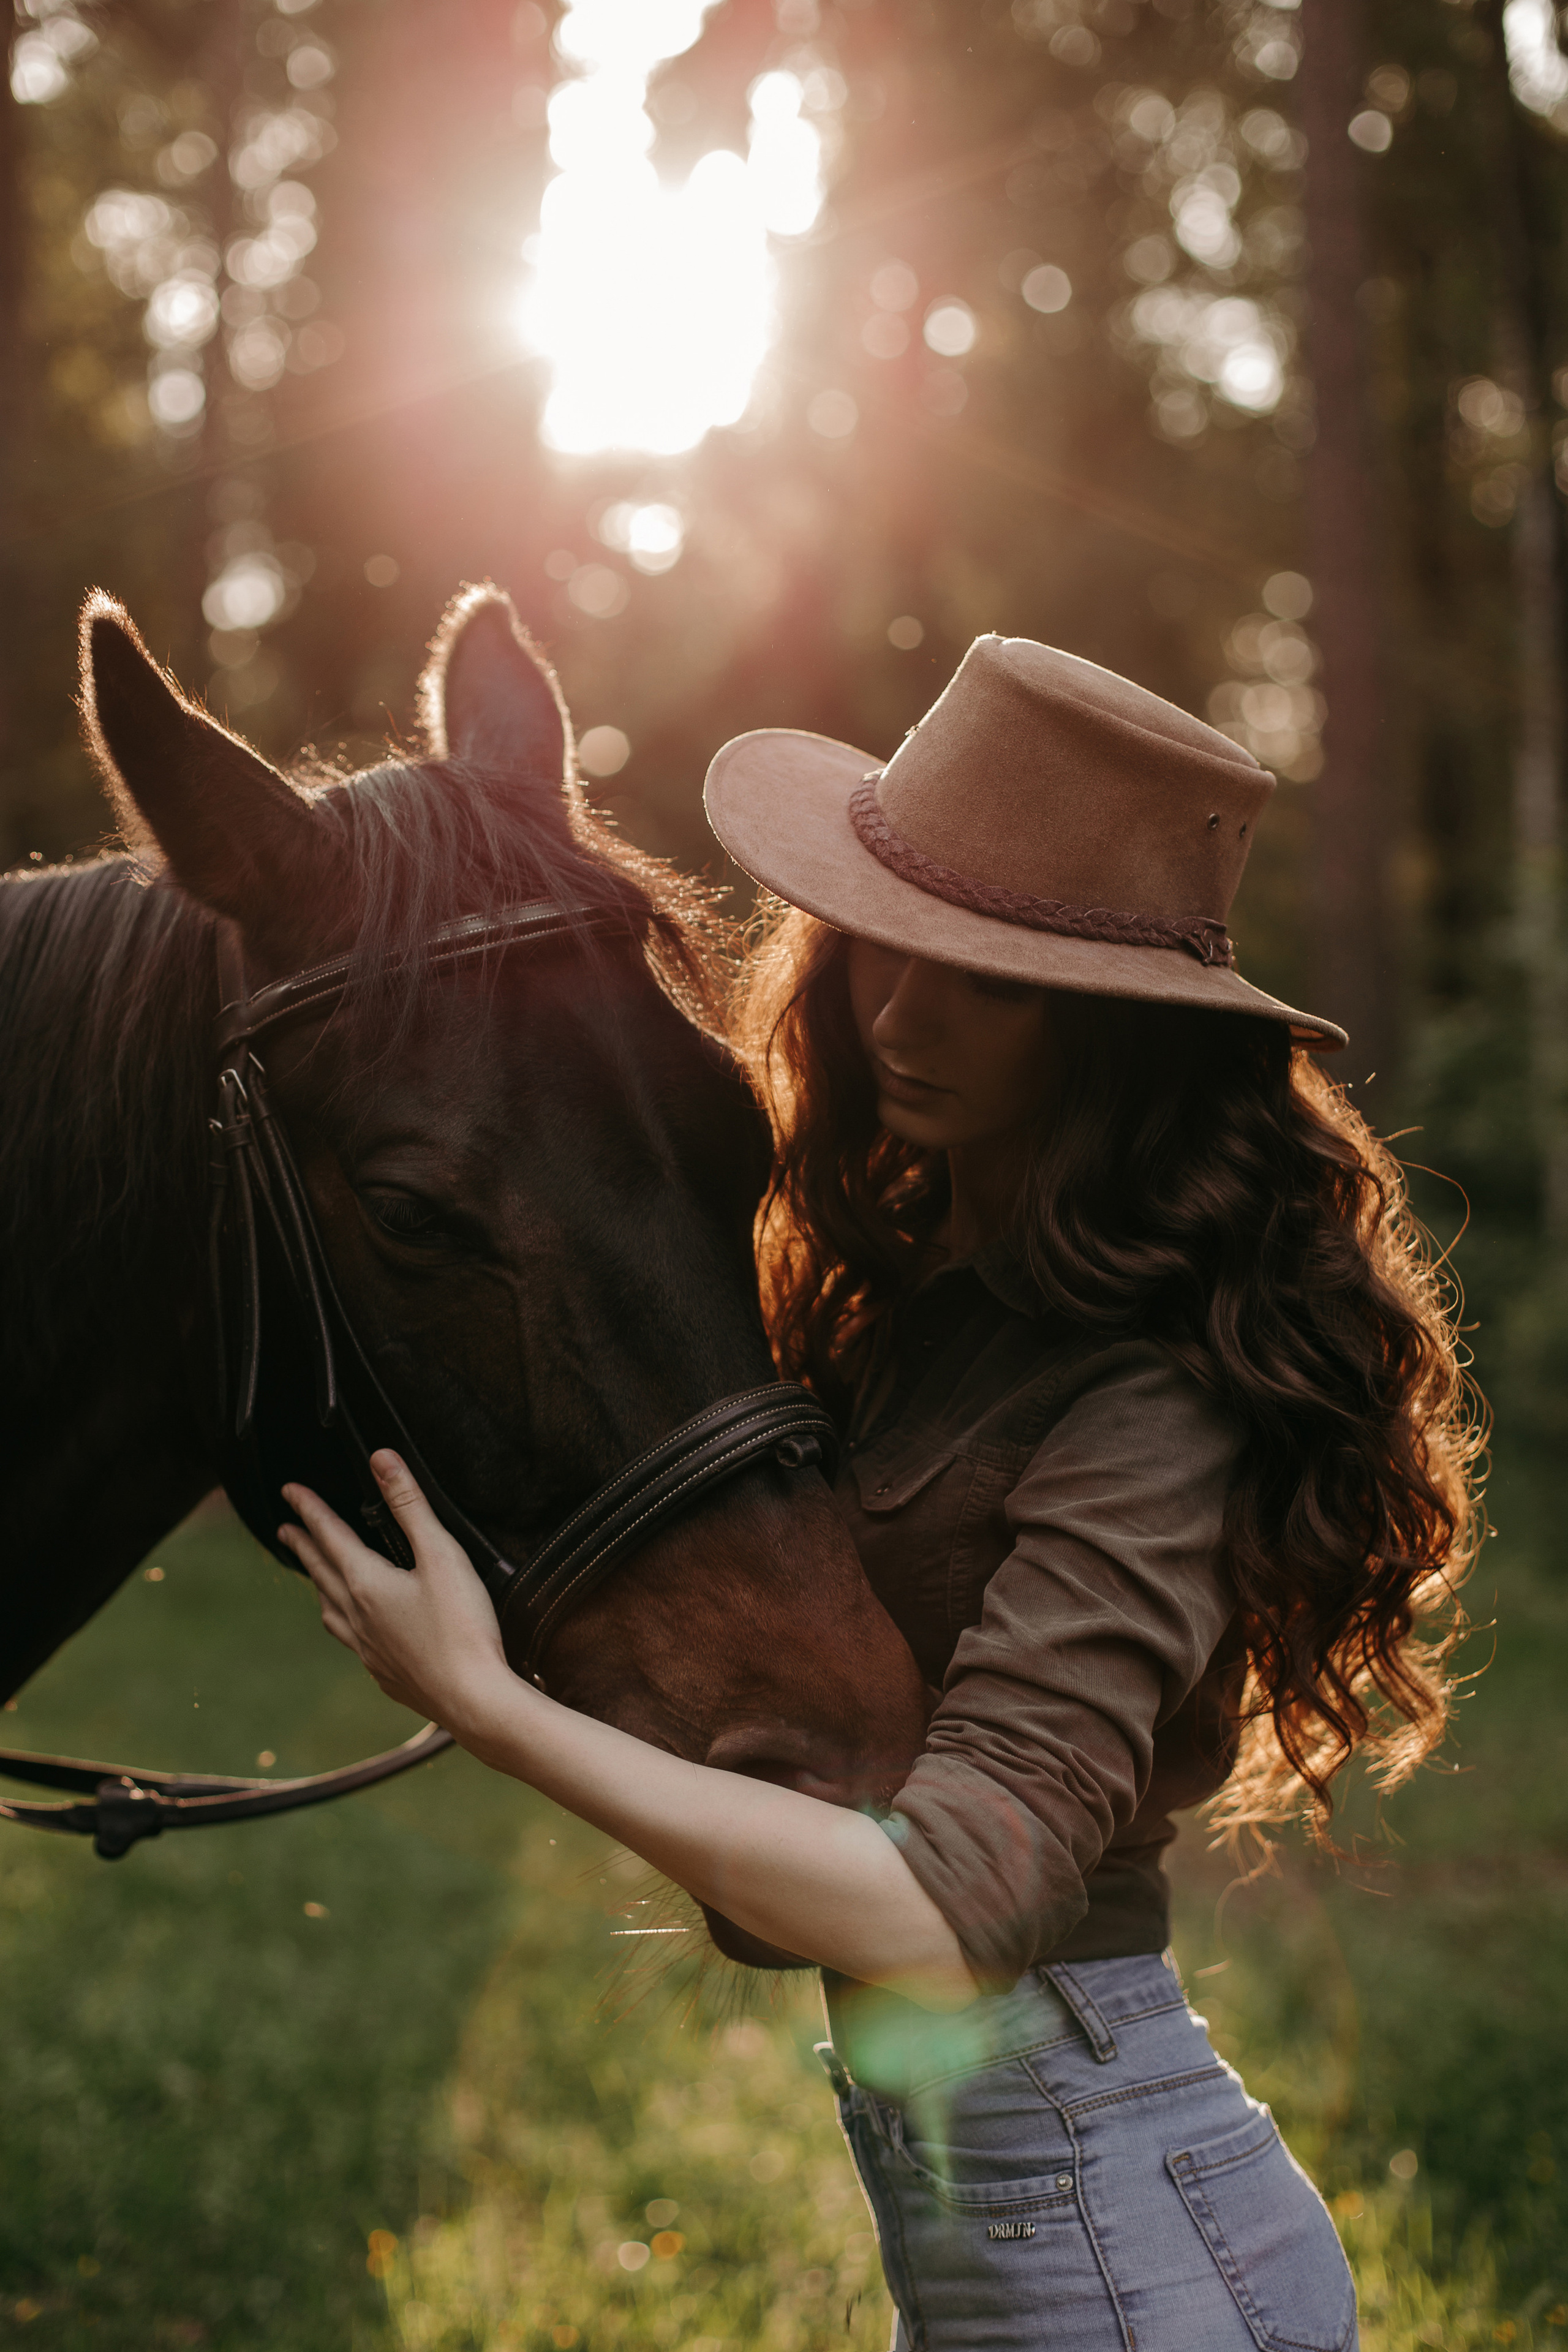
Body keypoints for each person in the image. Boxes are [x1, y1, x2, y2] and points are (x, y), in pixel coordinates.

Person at [282, 636, 1477, 2351]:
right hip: (1028, 2230)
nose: (904, 1018)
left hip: (1127, 2252)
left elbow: (938, 1919)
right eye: (882, 951)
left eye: (989, 980)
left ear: (1119, 1029)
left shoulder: (1156, 1396)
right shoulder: (906, 1305)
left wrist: (485, 1709)